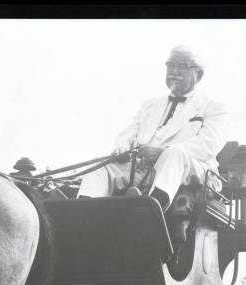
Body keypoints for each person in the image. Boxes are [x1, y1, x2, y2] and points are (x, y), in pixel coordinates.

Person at [77, 45, 229, 211]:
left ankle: (150, 210)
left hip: (188, 170)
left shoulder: (213, 107)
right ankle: (83, 210)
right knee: (101, 166)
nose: (174, 71)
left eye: (182, 66)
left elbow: (207, 145)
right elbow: (129, 132)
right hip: (142, 168)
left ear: (198, 75)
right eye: (171, 65)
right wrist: (121, 148)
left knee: (174, 154)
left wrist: (161, 152)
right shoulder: (149, 105)